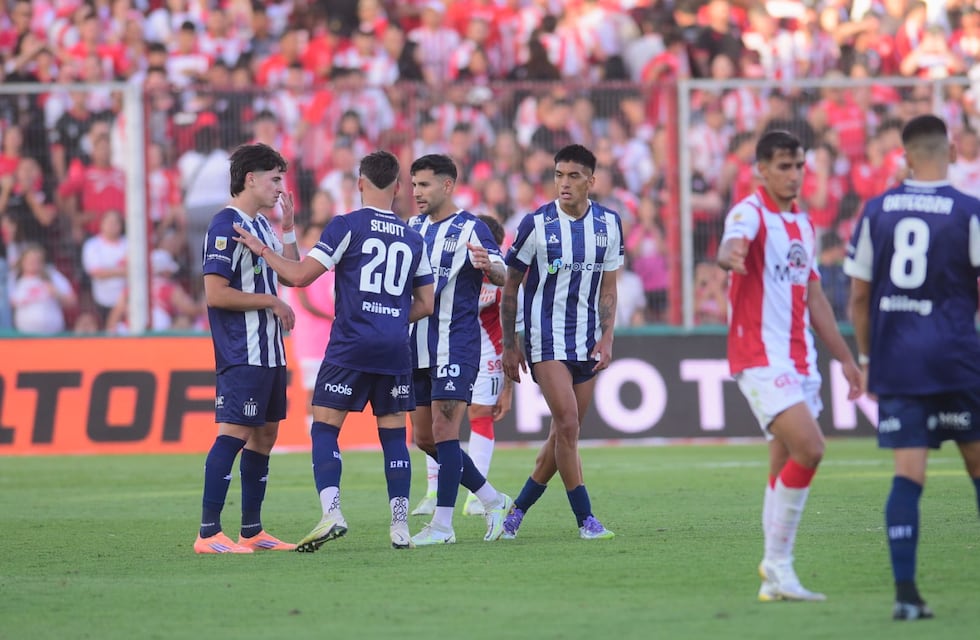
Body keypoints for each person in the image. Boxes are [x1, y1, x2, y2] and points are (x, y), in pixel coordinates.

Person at [234, 150, 435, 551]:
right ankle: (400, 527)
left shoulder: (347, 225)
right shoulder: (415, 237)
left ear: (360, 184)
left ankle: (333, 512)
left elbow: (297, 277)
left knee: (325, 427)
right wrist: (391, 320)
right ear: (397, 188)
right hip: (395, 347)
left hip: (350, 345)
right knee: (394, 437)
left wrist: (264, 249)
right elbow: (426, 304)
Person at [843, 114, 980, 621]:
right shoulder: (968, 211)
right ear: (951, 152)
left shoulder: (877, 211)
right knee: (977, 466)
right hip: (956, 357)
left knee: (908, 477)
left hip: (898, 361)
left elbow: (858, 295)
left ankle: (906, 596)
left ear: (904, 155)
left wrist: (866, 356)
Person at [716, 130, 863, 601]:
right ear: (761, 169)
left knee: (782, 463)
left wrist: (845, 357)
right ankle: (779, 565)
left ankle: (776, 578)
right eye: (783, 166)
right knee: (811, 448)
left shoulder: (803, 223)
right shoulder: (749, 213)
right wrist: (730, 256)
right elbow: (729, 247)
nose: (794, 175)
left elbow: (815, 295)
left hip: (800, 359)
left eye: (799, 166)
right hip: (758, 355)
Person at [499, 144, 623, 541]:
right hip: (543, 338)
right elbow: (511, 287)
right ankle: (586, 519)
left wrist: (606, 337)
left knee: (561, 436)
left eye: (573, 176)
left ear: (592, 180)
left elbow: (609, 287)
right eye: (558, 175)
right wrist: (509, 344)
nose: (564, 183)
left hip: (585, 340)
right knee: (568, 423)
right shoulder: (536, 225)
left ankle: (516, 510)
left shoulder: (608, 224)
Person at [193, 142, 299, 554]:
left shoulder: (261, 227)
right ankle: (207, 533)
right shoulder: (225, 224)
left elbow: (289, 275)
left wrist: (288, 229)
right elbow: (216, 293)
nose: (279, 188)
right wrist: (270, 301)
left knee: (265, 436)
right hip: (243, 350)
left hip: (270, 351)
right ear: (250, 178)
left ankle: (252, 530)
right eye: (274, 179)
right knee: (234, 433)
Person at [404, 155, 513, 546]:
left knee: (446, 431)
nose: (417, 192)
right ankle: (494, 499)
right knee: (425, 439)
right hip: (416, 348)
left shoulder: (472, 228)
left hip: (455, 346)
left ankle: (442, 527)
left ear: (447, 186)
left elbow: (502, 274)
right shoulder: (410, 228)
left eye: (425, 185)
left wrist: (489, 267)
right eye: (414, 184)